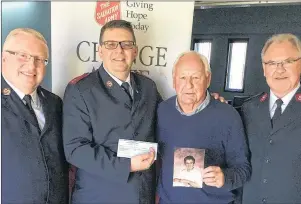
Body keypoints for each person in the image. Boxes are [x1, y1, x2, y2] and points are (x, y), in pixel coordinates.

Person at [63, 20, 162, 204]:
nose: (119, 51)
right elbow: (75, 149)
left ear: (135, 51)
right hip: (100, 196)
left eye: (126, 44)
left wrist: (203, 100)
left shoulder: (148, 86)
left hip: (142, 194)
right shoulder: (81, 90)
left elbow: (167, 120)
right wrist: (126, 165)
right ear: (100, 51)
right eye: (111, 44)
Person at [157, 51, 251, 204]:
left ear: (208, 80)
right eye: (182, 77)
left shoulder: (228, 116)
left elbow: (243, 168)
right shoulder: (162, 111)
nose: (189, 84)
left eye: (196, 77)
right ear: (174, 81)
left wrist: (224, 178)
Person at [1, 28, 68, 203]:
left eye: (39, 59)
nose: (32, 65)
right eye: (23, 55)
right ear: (4, 58)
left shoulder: (54, 103)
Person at [241, 33, 301, 203]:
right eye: (272, 63)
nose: (279, 69)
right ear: (264, 68)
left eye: (288, 61)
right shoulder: (248, 109)